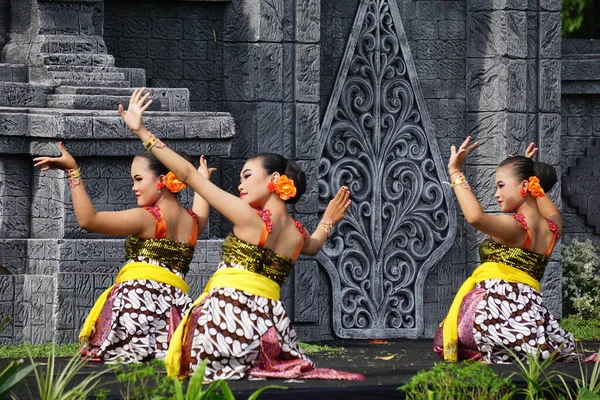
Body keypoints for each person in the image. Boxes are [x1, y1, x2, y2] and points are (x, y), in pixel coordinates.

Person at [119, 88, 365, 381]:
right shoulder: (296, 235)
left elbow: (186, 176)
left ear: (274, 179)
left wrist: (142, 131)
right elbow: (313, 246)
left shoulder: (248, 218)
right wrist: (328, 220)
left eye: (247, 175)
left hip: (227, 323)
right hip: (269, 331)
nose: (240, 186)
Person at [33, 143, 212, 363]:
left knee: (122, 371)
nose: (133, 187)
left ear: (162, 181)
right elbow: (202, 201)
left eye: (138, 179)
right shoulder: (193, 223)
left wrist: (72, 171)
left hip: (136, 305)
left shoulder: (148, 218)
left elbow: (89, 220)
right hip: (176, 308)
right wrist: (201, 179)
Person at [433, 138, 577, 363]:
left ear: (525, 187)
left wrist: (455, 171)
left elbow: (475, 217)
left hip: (494, 318)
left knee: (447, 337)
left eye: (500, 185)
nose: (496, 194)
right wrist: (526, 173)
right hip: (531, 321)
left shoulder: (515, 228)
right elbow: (548, 208)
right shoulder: (553, 229)